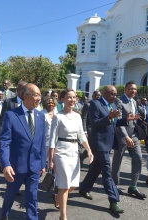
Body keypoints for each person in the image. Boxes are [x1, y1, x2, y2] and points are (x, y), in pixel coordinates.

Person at [79, 86, 132, 214]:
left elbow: (113, 123)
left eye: (116, 94)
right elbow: (95, 123)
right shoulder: (95, 104)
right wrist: (109, 117)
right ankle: (114, 201)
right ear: (106, 93)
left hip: (108, 143)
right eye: (113, 94)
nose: (115, 97)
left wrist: (125, 120)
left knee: (96, 168)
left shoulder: (111, 105)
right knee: (107, 172)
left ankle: (84, 188)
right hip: (99, 143)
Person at [0, 83, 46, 220]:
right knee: (11, 192)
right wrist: (6, 164)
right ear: (26, 96)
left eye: (40, 95)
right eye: (36, 95)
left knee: (32, 195)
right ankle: (5, 213)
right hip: (16, 165)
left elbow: (42, 142)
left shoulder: (40, 116)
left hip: (34, 164)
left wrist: (43, 163)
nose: (39, 98)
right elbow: (5, 142)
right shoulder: (11, 115)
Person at [49, 89, 93, 220]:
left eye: (74, 97)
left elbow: (81, 136)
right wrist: (51, 159)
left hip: (74, 152)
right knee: (64, 184)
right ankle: (63, 216)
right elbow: (52, 139)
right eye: (69, 97)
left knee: (73, 184)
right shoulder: (58, 116)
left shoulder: (77, 116)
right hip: (61, 153)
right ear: (62, 99)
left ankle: (58, 197)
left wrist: (89, 150)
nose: (72, 100)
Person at [112, 81, 147, 199]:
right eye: (131, 89)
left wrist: (141, 121)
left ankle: (133, 186)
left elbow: (132, 119)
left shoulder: (134, 101)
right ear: (125, 89)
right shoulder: (119, 101)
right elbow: (118, 121)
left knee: (138, 158)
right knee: (117, 161)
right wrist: (126, 136)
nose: (133, 91)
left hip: (134, 135)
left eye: (135, 89)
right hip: (122, 136)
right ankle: (114, 185)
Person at [80, 90, 101, 164]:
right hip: (89, 130)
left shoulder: (101, 105)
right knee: (91, 146)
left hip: (98, 129)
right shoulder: (88, 105)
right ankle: (82, 157)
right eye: (96, 95)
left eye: (99, 95)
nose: (98, 96)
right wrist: (85, 130)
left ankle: (94, 164)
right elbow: (84, 118)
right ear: (92, 96)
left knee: (96, 147)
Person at [41, 96, 57, 160]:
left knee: (54, 161)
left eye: (52, 103)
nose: (51, 104)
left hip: (56, 141)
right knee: (43, 160)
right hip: (45, 141)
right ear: (45, 104)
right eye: (49, 103)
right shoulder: (41, 114)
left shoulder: (57, 113)